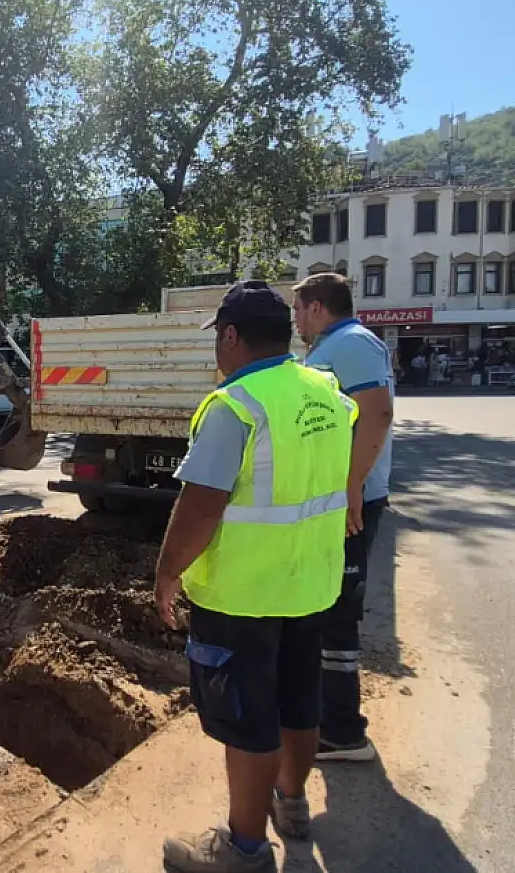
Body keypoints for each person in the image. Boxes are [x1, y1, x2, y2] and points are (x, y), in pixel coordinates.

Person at [155, 281, 358, 871]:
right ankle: (290, 803)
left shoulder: (236, 405)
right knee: (299, 700)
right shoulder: (323, 390)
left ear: (231, 336)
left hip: (244, 595)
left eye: (218, 340)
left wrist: (168, 572)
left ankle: (243, 850)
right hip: (309, 583)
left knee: (247, 720)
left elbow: (200, 506)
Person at [291, 273, 396, 764]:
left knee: (336, 613)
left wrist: (352, 485)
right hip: (338, 500)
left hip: (351, 502)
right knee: (325, 607)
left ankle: (343, 731)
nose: (295, 319)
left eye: (299, 309)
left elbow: (375, 414)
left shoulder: (352, 344)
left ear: (317, 307)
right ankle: (325, 716)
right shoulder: (338, 344)